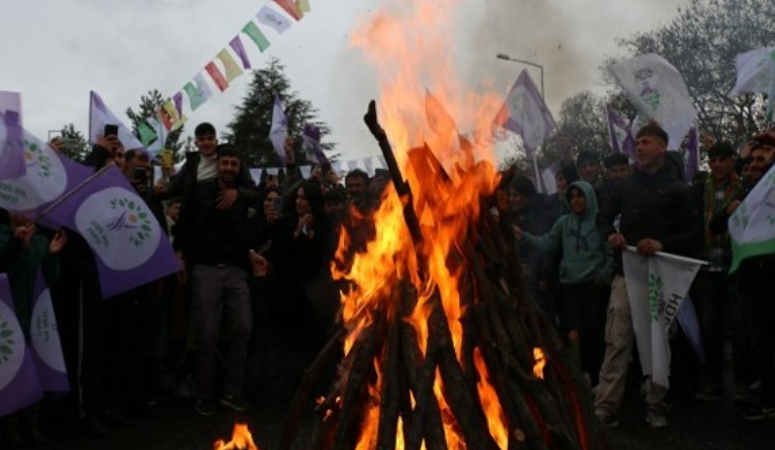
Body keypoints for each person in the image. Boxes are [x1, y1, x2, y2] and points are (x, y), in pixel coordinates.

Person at [594, 123, 702, 428]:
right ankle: (606, 406)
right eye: (637, 143)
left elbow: (695, 234)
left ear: (661, 147)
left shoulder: (680, 189)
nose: (639, 147)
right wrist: (611, 236)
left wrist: (662, 244)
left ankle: (655, 403)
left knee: (659, 342)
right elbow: (602, 218)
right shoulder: (625, 186)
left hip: (660, 279)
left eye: (645, 142)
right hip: (625, 275)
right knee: (617, 339)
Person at [174, 144, 254, 416]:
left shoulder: (244, 191)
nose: (229, 168)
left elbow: (267, 196)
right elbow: (184, 222)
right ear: (218, 164)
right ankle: (204, 394)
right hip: (205, 269)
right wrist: (180, 257)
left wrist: (239, 192)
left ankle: (232, 391)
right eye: (225, 163)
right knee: (206, 334)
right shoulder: (201, 189)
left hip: (236, 271)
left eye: (234, 163)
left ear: (239, 166)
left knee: (243, 327)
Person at [514, 181, 612, 386]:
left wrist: (603, 275)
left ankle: (605, 377)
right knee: (577, 333)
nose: (576, 200)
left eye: (580, 195)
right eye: (572, 196)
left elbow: (609, 251)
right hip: (570, 286)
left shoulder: (599, 221)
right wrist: (525, 237)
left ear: (589, 196)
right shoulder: (564, 222)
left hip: (593, 286)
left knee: (598, 331)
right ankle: (588, 376)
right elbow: (547, 243)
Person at [709, 139, 775, 420]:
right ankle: (769, 398)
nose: (755, 166)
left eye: (762, 161)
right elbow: (714, 226)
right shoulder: (745, 194)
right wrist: (728, 211)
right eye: (750, 163)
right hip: (751, 281)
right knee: (760, 340)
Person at [689, 141, 744, 402]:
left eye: (723, 159)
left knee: (737, 323)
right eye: (714, 160)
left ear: (732, 161)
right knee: (710, 326)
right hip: (707, 266)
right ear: (708, 163)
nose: (718, 164)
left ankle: (744, 383)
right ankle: (713, 381)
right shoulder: (700, 190)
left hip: (735, 265)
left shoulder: (744, 189)